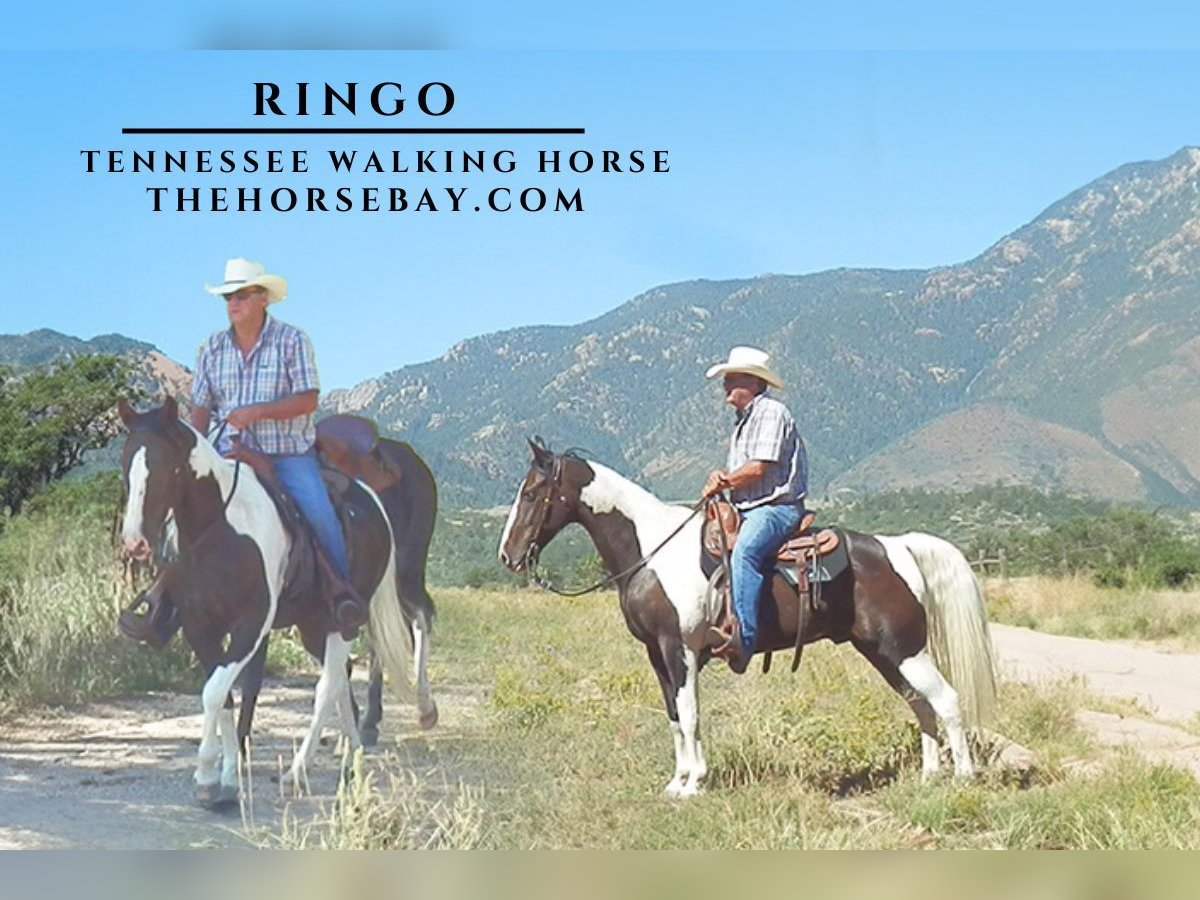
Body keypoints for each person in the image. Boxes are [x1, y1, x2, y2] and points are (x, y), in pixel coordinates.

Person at [190, 258, 367, 635]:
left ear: (262, 298)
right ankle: (172, 600)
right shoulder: (211, 349)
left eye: (239, 295)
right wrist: (196, 450)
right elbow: (201, 406)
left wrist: (256, 412)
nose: (232, 304)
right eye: (227, 297)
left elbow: (307, 400)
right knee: (187, 512)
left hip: (286, 455)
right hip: (228, 453)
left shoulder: (292, 340)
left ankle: (341, 594)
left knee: (318, 511)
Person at [701, 346, 808, 674]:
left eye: (731, 378)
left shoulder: (771, 413)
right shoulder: (743, 421)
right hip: (748, 506)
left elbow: (760, 468)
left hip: (775, 509)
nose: (725, 385)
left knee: (744, 552)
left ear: (753, 381)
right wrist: (722, 478)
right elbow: (744, 471)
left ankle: (743, 640)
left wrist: (724, 482)